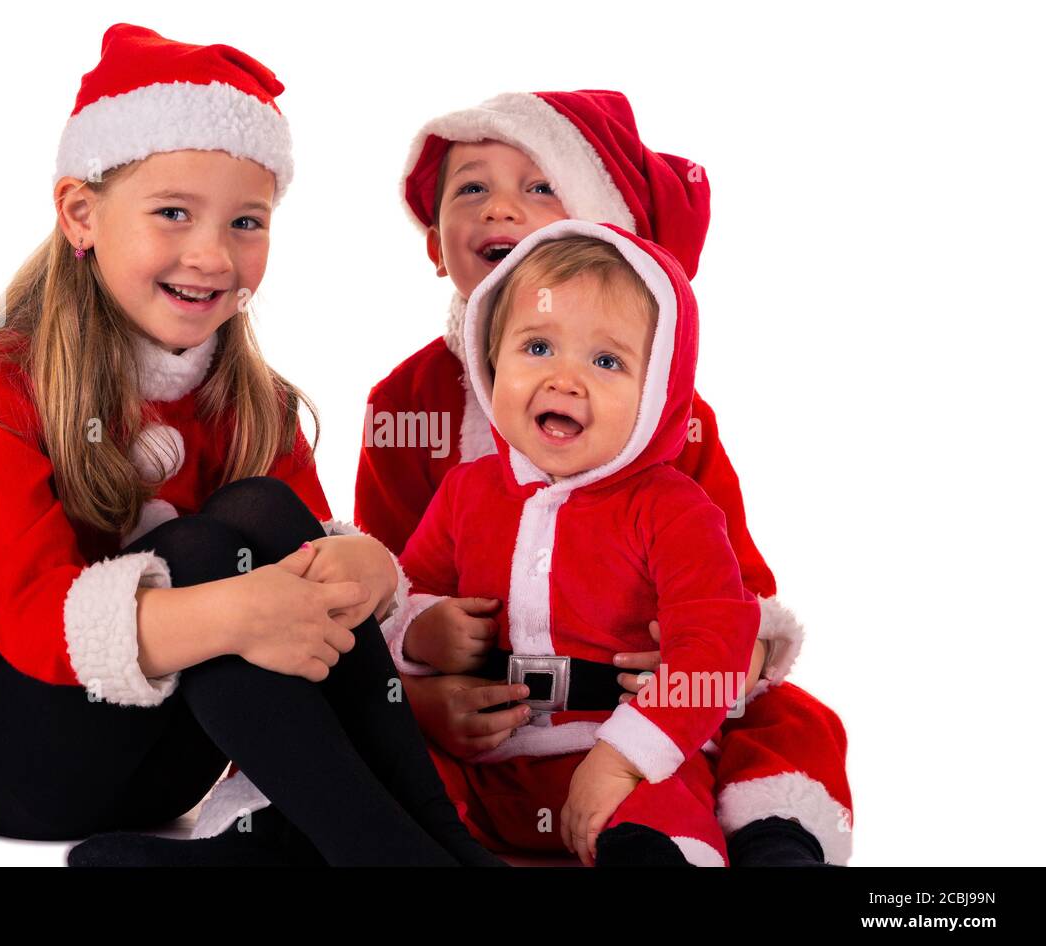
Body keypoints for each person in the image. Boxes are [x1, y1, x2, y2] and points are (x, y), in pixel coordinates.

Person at [0, 22, 503, 868]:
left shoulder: (256, 401)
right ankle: (387, 853)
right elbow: (35, 621)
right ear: (81, 213)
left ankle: (430, 840)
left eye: (247, 222)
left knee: (260, 514)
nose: (213, 255)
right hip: (24, 759)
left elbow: (306, 565)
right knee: (202, 551)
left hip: (167, 770)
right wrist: (232, 609)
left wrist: (367, 575)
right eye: (173, 213)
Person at [356, 90, 852, 865]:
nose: (500, 210)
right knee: (349, 723)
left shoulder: (674, 430)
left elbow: (738, 607)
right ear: (433, 242)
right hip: (482, 710)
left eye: (540, 185)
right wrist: (420, 688)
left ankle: (772, 839)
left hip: (632, 706)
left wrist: (693, 675)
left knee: (793, 720)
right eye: (472, 187)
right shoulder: (405, 408)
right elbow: (381, 586)